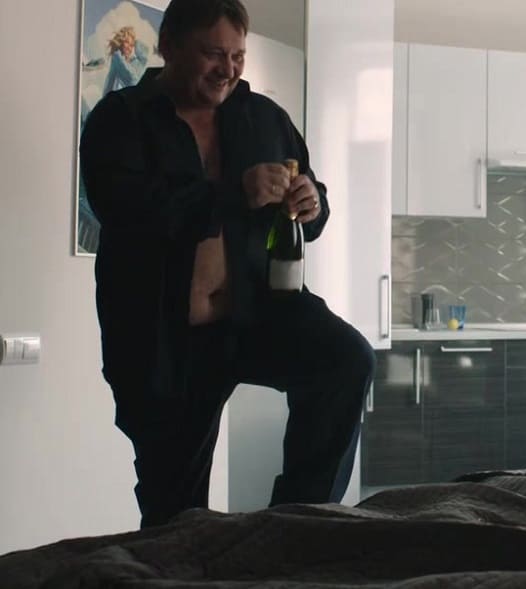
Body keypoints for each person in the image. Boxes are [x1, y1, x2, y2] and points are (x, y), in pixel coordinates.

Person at [80, 0, 375, 528]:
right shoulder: (120, 119)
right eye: (213, 54)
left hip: (259, 314)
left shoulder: (265, 117)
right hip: (165, 340)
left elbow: (310, 203)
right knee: (175, 513)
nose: (229, 69)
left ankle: (297, 526)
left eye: (238, 56)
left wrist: (313, 202)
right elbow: (125, 209)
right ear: (168, 46)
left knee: (346, 359)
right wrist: (232, 194)